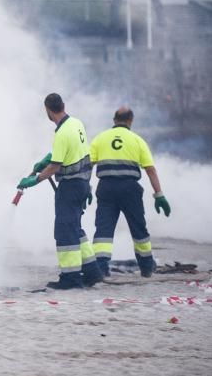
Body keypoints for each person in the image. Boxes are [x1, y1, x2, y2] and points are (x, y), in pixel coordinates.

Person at [19, 93, 104, 290]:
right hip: (82, 183)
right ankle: (92, 272)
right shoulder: (76, 123)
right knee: (75, 228)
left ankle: (71, 278)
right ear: (63, 105)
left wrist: (35, 179)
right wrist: (46, 160)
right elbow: (72, 151)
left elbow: (56, 166)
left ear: (48, 110)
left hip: (70, 186)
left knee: (64, 232)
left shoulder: (61, 133)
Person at [89, 106, 171, 278]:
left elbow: (88, 166)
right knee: (139, 229)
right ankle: (147, 268)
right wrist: (159, 195)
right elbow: (150, 170)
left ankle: (101, 268)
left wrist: (85, 188)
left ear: (114, 120)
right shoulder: (137, 140)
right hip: (130, 189)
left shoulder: (100, 139)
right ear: (130, 121)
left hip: (106, 188)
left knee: (103, 230)